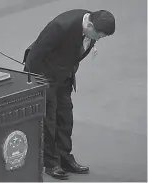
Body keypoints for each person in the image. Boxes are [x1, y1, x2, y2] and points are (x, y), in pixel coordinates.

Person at [23, 9, 115, 180]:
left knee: (65, 117)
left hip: (64, 75)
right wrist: (37, 84)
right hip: (45, 76)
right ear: (89, 25)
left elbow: (76, 50)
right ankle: (51, 163)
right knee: (48, 120)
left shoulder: (92, 24)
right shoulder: (61, 26)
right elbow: (35, 56)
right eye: (98, 36)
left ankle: (65, 158)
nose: (98, 39)